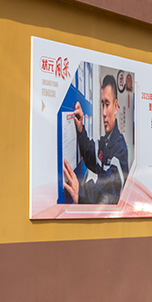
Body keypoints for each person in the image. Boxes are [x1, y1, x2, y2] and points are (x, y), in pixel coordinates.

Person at [62, 74, 129, 205]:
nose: (104, 112)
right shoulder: (105, 143)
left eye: (107, 104)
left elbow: (109, 191)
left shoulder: (120, 149)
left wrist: (81, 193)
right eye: (102, 104)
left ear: (116, 107)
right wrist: (80, 129)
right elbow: (89, 153)